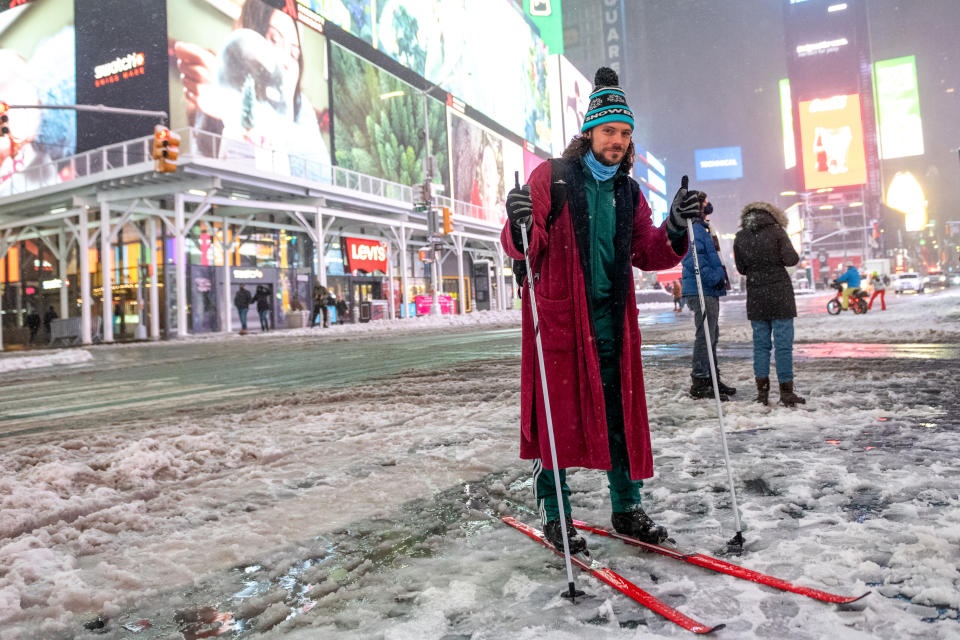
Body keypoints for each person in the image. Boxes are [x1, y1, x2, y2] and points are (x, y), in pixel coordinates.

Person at [502, 67, 703, 553]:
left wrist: (676, 223)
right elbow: (526, 245)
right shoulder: (553, 176)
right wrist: (518, 221)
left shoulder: (628, 191)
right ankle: (556, 513)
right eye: (609, 130)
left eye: (625, 133)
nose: (617, 140)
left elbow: (648, 252)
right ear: (589, 132)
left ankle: (626, 507)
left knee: (619, 417)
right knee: (556, 419)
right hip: (560, 321)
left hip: (612, 322)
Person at [173, 0, 331, 174]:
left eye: (294, 54)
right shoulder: (214, 95)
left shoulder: (301, 105)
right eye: (275, 40)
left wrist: (234, 108)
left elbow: (322, 171)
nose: (287, 61)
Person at [733, 202, 805, 407]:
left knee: (761, 347)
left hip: (756, 296)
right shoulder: (777, 231)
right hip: (780, 294)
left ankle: (762, 394)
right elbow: (791, 259)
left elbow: (741, 268)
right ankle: (786, 393)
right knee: (783, 346)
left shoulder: (741, 236)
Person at [681, 200, 735, 400]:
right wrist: (715, 278)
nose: (709, 204)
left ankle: (712, 378)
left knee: (712, 336)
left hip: (709, 289)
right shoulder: (693, 229)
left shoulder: (703, 229)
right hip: (701, 289)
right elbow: (691, 258)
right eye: (705, 201)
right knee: (705, 336)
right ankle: (700, 380)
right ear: (697, 207)